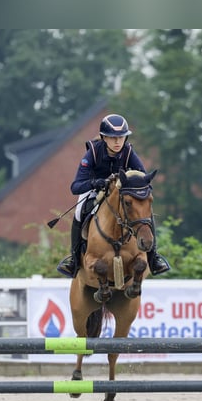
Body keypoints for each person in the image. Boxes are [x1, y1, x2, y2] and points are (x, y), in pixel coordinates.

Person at [56, 113, 171, 278]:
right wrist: (95, 182)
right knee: (79, 211)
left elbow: (141, 176)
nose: (118, 142)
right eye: (113, 138)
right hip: (95, 190)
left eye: (121, 137)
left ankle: (154, 258)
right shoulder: (93, 153)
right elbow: (75, 186)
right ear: (104, 137)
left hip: (121, 192)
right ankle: (74, 259)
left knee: (145, 212)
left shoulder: (129, 152)